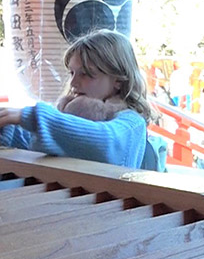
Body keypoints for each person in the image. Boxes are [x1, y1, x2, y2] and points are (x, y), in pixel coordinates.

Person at [0, 29, 156, 169]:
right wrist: (8, 126)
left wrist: (32, 117)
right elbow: (31, 141)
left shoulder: (131, 123)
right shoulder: (66, 116)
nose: (73, 82)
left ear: (118, 81)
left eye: (86, 74)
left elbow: (106, 141)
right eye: (72, 73)